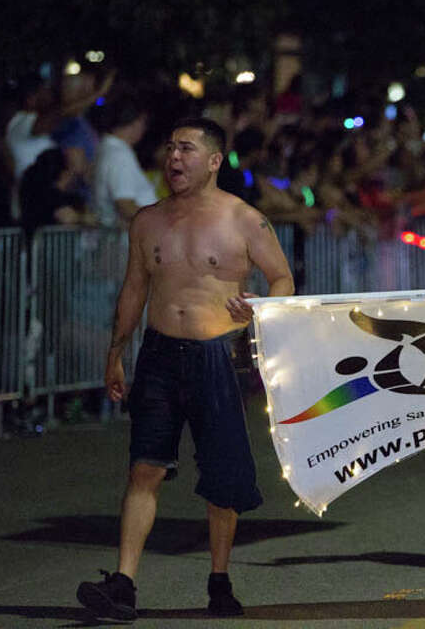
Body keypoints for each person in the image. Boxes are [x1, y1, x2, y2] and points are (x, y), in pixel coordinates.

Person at [76, 118, 294, 621]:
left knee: (222, 479)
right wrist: (117, 349)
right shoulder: (148, 221)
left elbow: (283, 278)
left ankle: (219, 581)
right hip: (158, 354)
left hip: (218, 355)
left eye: (187, 149)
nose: (174, 158)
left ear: (214, 161)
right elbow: (134, 288)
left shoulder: (244, 219)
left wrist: (262, 306)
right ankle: (123, 585)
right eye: (171, 147)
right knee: (145, 467)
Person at [92, 96, 157, 228]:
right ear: (135, 122)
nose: (144, 129)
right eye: (143, 123)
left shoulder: (106, 148)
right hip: (128, 241)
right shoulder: (119, 155)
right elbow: (125, 204)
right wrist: (161, 221)